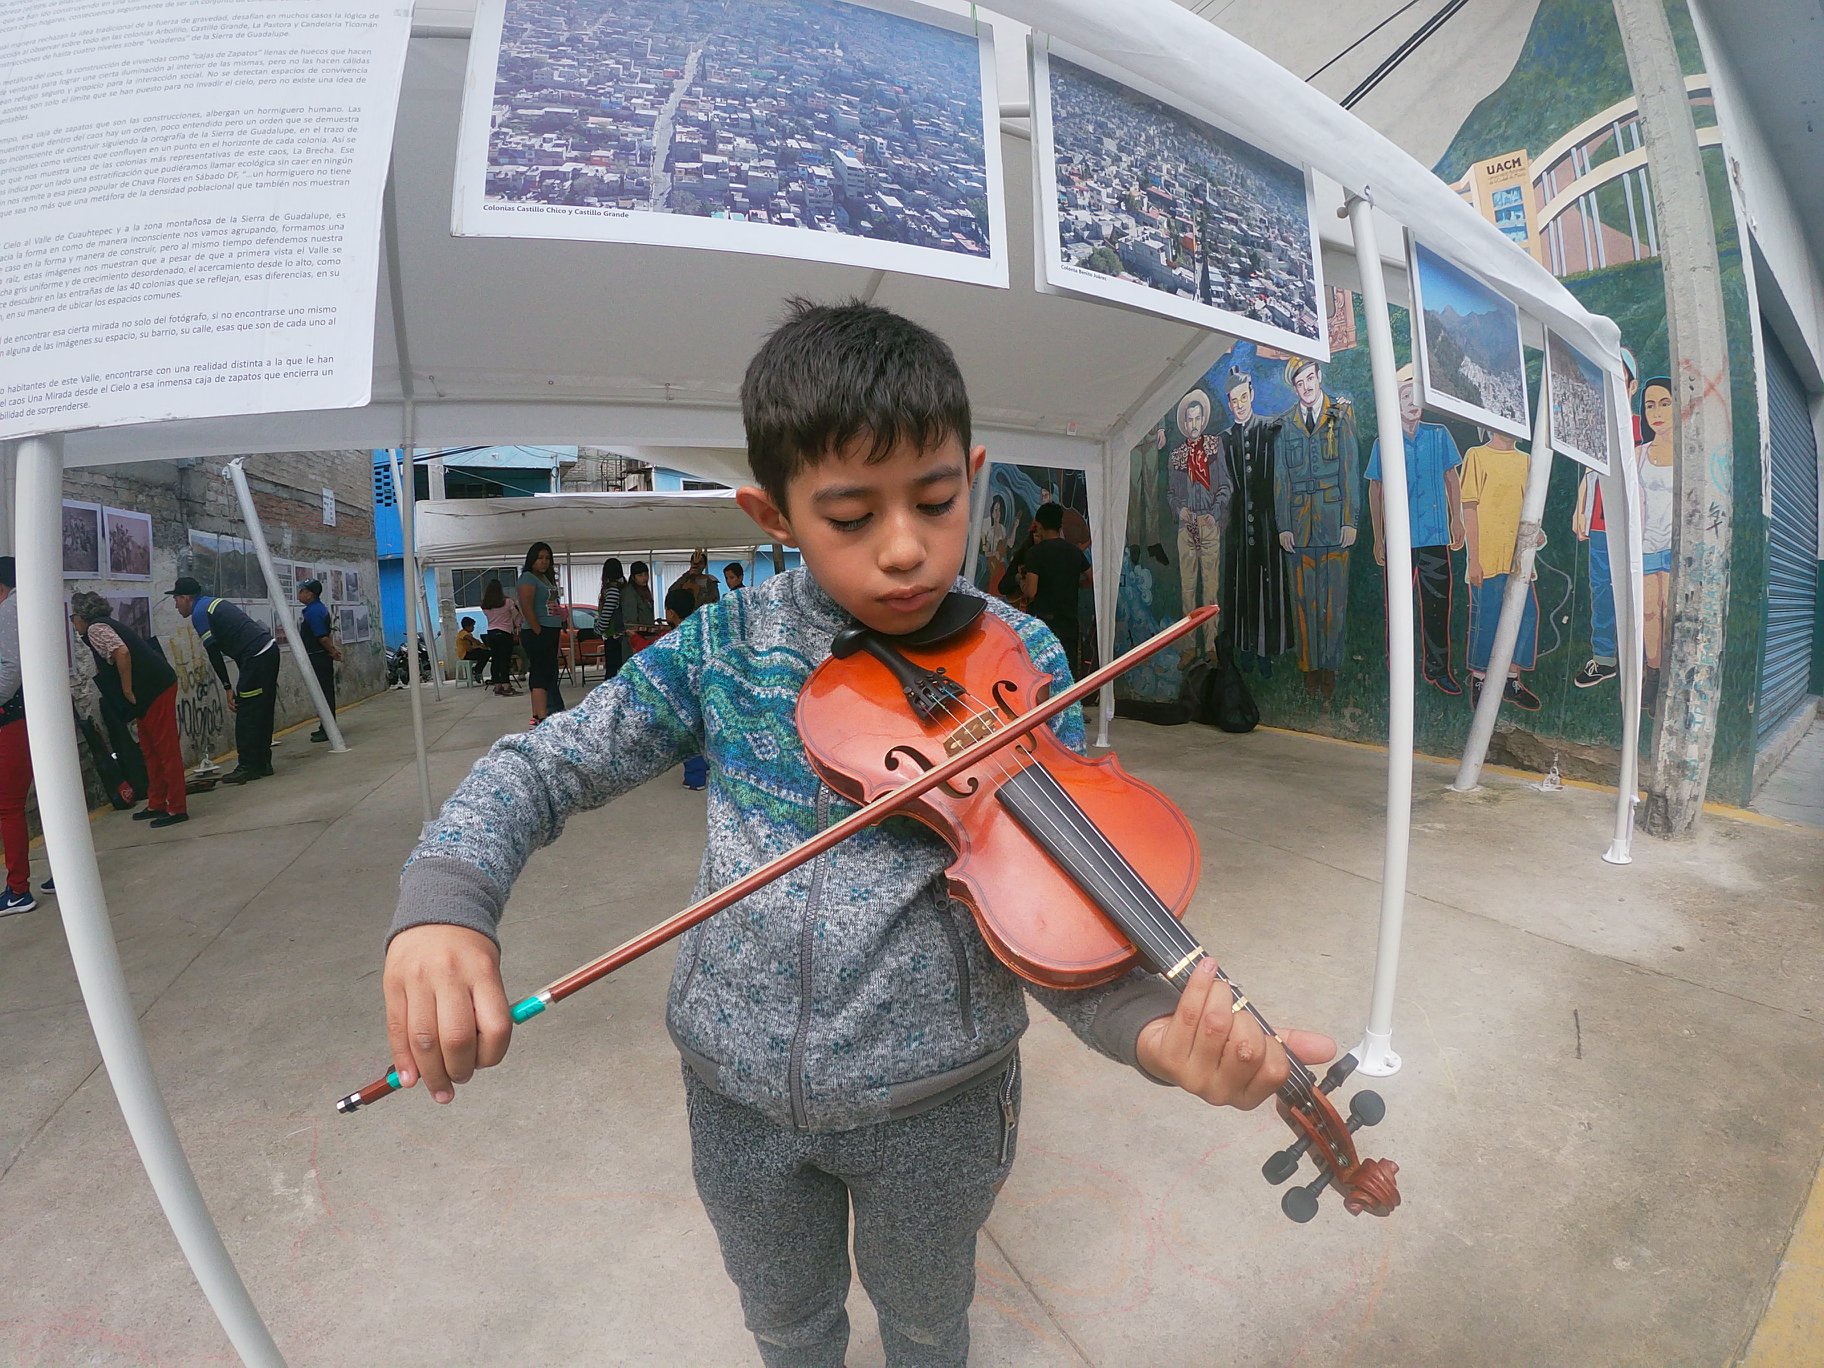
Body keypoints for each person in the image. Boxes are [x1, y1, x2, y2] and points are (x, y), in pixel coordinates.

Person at [380, 299, 1332, 1368]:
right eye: (849, 517)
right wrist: (447, 902)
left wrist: (1158, 1036)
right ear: (772, 513)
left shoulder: (1022, 654)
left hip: (940, 1109)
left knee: (928, 1326)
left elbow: (1056, 915)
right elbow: (546, 763)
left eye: (936, 502)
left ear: (971, 473)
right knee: (788, 1327)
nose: (905, 552)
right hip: (735, 1095)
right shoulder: (726, 646)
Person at [1367, 363, 1465, 695]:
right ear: (1394, 402)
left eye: (1417, 397)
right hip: (1398, 540)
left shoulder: (1439, 437)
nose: (1413, 403)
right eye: (1406, 396)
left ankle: (1438, 669)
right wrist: (1378, 537)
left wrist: (1457, 520)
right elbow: (1375, 489)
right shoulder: (1385, 442)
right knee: (1398, 605)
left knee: (1437, 604)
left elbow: (1452, 479)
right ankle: (1398, 669)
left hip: (1435, 536)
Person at [1273, 356, 1359, 698]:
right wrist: (1283, 526)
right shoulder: (1286, 424)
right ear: (1294, 387)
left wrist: (1350, 519)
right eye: (1300, 383)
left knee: (1333, 599)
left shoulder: (1341, 415)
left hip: (1334, 520)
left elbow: (1350, 469)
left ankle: (1330, 668)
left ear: (1319, 376)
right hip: (1300, 523)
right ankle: (1309, 668)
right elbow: (1281, 479)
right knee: (1305, 600)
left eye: (1310, 378)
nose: (1307, 387)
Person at [70, 591, 189, 827]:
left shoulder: (96, 629)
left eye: (73, 616)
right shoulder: (105, 625)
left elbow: (121, 653)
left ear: (83, 615)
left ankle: (176, 807)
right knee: (149, 749)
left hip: (153, 689)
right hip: (148, 691)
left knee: (165, 750)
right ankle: (157, 802)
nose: (73, 622)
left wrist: (126, 690)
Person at [168, 575, 278, 784]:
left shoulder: (200, 613)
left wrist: (227, 687)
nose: (175, 606)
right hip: (266, 651)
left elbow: (214, 653)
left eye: (176, 599)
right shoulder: (213, 603)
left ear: (186, 598)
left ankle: (247, 766)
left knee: (246, 709)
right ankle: (263, 763)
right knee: (261, 708)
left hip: (256, 656)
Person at [1570, 346, 1637, 690]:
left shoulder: (1643, 429)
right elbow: (1589, 473)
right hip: (1598, 524)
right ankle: (1605, 658)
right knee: (1601, 590)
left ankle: (1638, 659)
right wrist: (1579, 512)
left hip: (1633, 528)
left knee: (1635, 588)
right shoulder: (1596, 428)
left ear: (1632, 385)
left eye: (1619, 381)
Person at [1460, 431, 1542, 711]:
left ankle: (1511, 679)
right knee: (1486, 617)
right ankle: (1480, 679)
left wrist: (1536, 534)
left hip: (1517, 558)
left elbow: (1529, 509)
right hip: (1487, 556)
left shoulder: (1528, 461)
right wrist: (1474, 558)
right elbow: (1469, 507)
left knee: (1527, 615)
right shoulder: (1476, 456)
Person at [1218, 367, 1292, 673]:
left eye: (1243, 398)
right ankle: (1245, 648)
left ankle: (1267, 652)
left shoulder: (1269, 428)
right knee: (1241, 588)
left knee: (1267, 585)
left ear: (1252, 395)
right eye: (1233, 401)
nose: (1239, 405)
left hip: (1265, 522)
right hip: (1238, 526)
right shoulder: (1224, 438)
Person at [1167, 387, 1231, 662]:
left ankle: (1211, 646)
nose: (1193, 425)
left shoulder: (1215, 448)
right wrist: (1180, 511)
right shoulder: (1177, 455)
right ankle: (1190, 646)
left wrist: (1214, 514)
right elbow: (1171, 493)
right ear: (1184, 423)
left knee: (1211, 588)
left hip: (1208, 523)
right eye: (1189, 420)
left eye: (1197, 419)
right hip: (1186, 525)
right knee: (1188, 589)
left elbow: (1226, 486)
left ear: (1203, 420)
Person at [0, 557, 40, 915]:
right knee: (51, 796)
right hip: (41, 716)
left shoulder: (10, 610)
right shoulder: (37, 604)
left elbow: (10, 669)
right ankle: (64, 872)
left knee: (9, 807)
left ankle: (17, 891)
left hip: (14, 720)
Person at [1638, 377, 1676, 711]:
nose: (1657, 412)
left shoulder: (1689, 453)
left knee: (1670, 613)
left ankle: (1666, 678)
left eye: (1665, 403)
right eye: (1650, 405)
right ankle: (1653, 674)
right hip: (1647, 547)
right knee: (1650, 613)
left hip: (1677, 551)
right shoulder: (1640, 455)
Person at [1020, 502, 1091, 673]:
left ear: (1040, 526)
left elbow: (1031, 591)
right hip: (1069, 622)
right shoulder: (1074, 552)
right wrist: (1076, 584)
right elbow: (1090, 578)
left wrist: (1021, 582)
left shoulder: (1035, 553)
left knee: (1041, 672)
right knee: (1067, 671)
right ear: (1060, 525)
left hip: (1044, 622)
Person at [664, 581, 710, 791]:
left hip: (687, 691)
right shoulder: (699, 629)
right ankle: (706, 767)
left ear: (671, 613)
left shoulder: (676, 636)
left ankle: (695, 778)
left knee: (689, 736)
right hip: (705, 687)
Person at [515, 542, 566, 723]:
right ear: (532, 560)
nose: (544, 562)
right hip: (538, 631)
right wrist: (538, 630)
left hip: (550, 629)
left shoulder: (546, 578)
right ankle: (540, 716)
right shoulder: (528, 578)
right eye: (540, 558)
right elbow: (526, 607)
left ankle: (546, 713)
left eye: (547, 558)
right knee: (540, 674)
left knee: (549, 673)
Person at [297, 578, 342, 742]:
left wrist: (332, 651)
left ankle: (328, 728)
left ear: (310, 594)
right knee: (322, 693)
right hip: (316, 656)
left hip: (318, 657)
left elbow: (322, 637)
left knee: (324, 693)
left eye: (302, 590)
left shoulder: (314, 612)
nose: (299, 593)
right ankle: (325, 726)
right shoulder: (313, 609)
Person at [479, 578, 521, 696]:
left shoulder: (484, 605)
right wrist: (517, 626)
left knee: (495, 659)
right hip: (504, 633)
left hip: (491, 633)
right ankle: (507, 686)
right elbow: (517, 616)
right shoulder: (508, 602)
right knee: (505, 660)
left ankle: (497, 686)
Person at [595, 558, 628, 678]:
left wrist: (598, 629)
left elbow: (607, 613)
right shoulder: (623, 587)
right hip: (621, 634)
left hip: (614, 635)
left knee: (611, 672)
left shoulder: (612, 590)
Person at [620, 560, 657, 644]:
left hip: (645, 637)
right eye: (640, 575)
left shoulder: (644, 591)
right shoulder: (629, 593)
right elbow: (630, 621)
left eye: (646, 574)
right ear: (633, 577)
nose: (644, 578)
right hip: (635, 638)